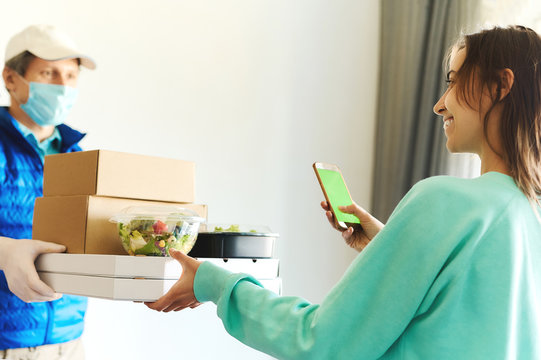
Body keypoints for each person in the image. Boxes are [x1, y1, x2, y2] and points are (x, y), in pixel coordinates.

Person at [146, 25, 541, 359]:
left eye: (453, 82)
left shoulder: (443, 202)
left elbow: (321, 341)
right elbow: (461, 311)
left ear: (501, 85)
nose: (440, 105)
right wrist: (388, 244)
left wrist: (215, 282)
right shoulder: (527, 215)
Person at [0, 25, 95, 359]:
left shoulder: (78, 157)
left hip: (68, 338)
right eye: (49, 73)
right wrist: (4, 250)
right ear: (11, 79)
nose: (63, 86)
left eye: (71, 75)